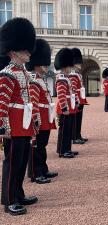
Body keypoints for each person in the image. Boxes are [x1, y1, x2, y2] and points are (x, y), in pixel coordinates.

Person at [0, 17, 39, 216]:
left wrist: (34, 119)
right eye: (25, 50)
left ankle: (19, 194)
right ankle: (9, 200)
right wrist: (3, 126)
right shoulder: (7, 74)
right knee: (12, 162)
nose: (29, 53)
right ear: (14, 51)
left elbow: (28, 99)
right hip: (14, 124)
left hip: (23, 122)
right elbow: (2, 103)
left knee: (22, 161)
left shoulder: (23, 72)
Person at [26, 39, 58, 184]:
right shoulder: (33, 79)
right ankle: (35, 173)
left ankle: (43, 169)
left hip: (45, 116)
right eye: (44, 63)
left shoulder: (41, 79)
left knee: (42, 145)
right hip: (39, 117)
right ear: (37, 63)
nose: (46, 66)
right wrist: (36, 118)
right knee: (36, 146)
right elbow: (33, 101)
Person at [55, 48, 79, 158]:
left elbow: (72, 92)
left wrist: (76, 101)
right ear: (65, 66)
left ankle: (67, 148)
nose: (71, 68)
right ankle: (62, 150)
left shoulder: (67, 78)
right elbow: (61, 95)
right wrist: (64, 108)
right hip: (65, 109)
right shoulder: (61, 78)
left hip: (70, 107)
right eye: (70, 66)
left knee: (68, 130)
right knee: (64, 131)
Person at [70, 48, 89, 144]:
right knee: (75, 120)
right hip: (76, 100)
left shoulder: (77, 74)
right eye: (78, 63)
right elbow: (73, 89)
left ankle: (78, 134)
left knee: (79, 119)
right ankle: (74, 136)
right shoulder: (73, 75)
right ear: (74, 63)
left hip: (80, 100)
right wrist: (76, 101)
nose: (80, 64)